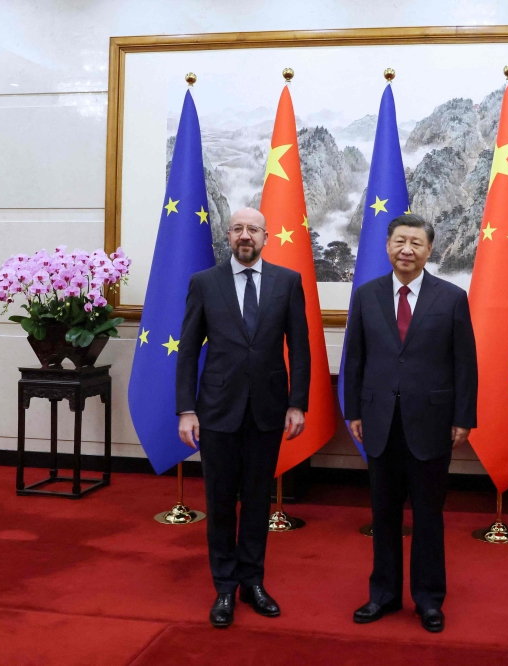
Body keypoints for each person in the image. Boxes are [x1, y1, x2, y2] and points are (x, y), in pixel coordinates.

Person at [176, 207, 311, 629]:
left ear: (266, 237)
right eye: (237, 229)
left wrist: (297, 402)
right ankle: (224, 587)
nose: (245, 236)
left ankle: (253, 581)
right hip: (216, 411)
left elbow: (301, 347)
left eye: (253, 229)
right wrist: (186, 409)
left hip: (268, 411)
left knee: (256, 502)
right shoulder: (205, 283)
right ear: (228, 236)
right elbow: (188, 350)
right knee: (219, 503)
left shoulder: (287, 282)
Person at [343, 213, 477, 633]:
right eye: (400, 241)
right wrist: (354, 412)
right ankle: (382, 595)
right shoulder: (366, 295)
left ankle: (429, 599)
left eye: (416, 243)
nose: (407, 249)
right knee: (383, 514)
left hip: (432, 422)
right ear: (387, 246)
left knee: (428, 516)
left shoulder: (452, 297)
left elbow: (465, 365)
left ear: (429, 250)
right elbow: (355, 358)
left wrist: (463, 418)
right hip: (379, 420)